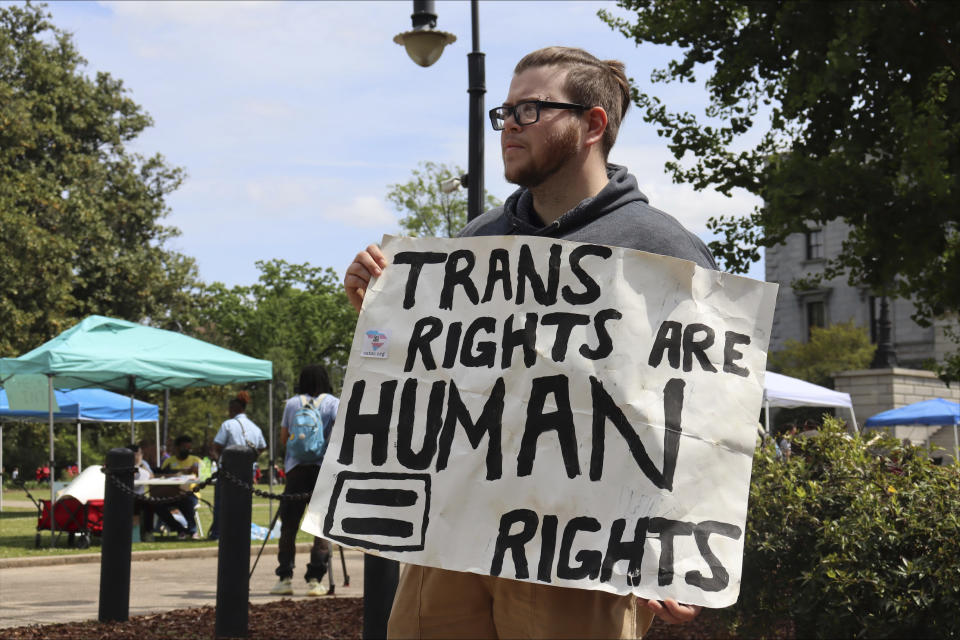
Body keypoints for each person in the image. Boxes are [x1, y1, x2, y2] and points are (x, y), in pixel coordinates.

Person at [344, 46, 712, 639]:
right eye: (506, 111)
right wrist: (382, 314)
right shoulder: (475, 241)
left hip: (578, 552)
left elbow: (698, 411)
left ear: (593, 124)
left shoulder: (659, 246)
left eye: (532, 109)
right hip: (453, 535)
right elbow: (443, 381)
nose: (510, 124)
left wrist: (678, 551)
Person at [271, 364, 340, 597]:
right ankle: (315, 579)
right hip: (323, 469)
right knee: (320, 526)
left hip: (295, 470)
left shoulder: (291, 404)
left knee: (289, 525)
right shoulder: (332, 403)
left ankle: (285, 577)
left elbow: (283, 438)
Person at [208, 391, 266, 540]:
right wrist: (251, 458)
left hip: (228, 471)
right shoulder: (255, 428)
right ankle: (240, 532)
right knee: (243, 505)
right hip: (247, 471)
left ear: (234, 409)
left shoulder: (228, 425)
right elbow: (261, 446)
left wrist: (219, 458)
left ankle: (218, 533)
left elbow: (216, 446)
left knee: (223, 504)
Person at [154, 434, 202, 540]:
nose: (187, 450)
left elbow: (204, 477)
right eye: (184, 448)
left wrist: (197, 472)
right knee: (157, 506)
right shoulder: (169, 461)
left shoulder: (196, 461)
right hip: (170, 494)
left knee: (187, 501)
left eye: (189, 448)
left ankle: (192, 531)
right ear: (177, 448)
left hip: (190, 494)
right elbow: (161, 477)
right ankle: (180, 530)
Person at [127, 443, 155, 542]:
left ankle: (148, 532)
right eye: (139, 453)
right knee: (139, 504)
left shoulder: (143, 464)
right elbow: (138, 476)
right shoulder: (124, 465)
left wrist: (141, 466)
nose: (141, 456)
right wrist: (138, 466)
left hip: (140, 496)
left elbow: (151, 475)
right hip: (127, 497)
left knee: (150, 503)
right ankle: (137, 535)